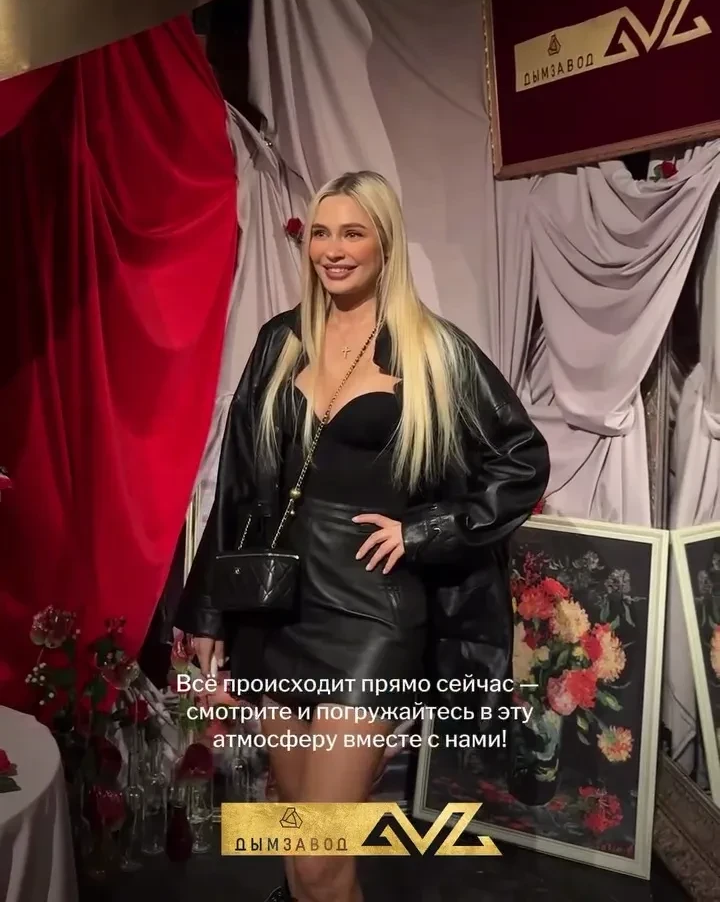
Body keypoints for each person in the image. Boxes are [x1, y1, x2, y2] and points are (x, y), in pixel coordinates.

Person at [176, 170, 550, 902]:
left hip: (373, 612)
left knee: (321, 857)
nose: (333, 249)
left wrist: (427, 529)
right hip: (279, 606)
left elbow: (521, 458)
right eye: (321, 233)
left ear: (385, 244)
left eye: (353, 233)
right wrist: (210, 611)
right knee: (295, 836)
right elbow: (239, 486)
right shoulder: (281, 340)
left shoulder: (433, 350)